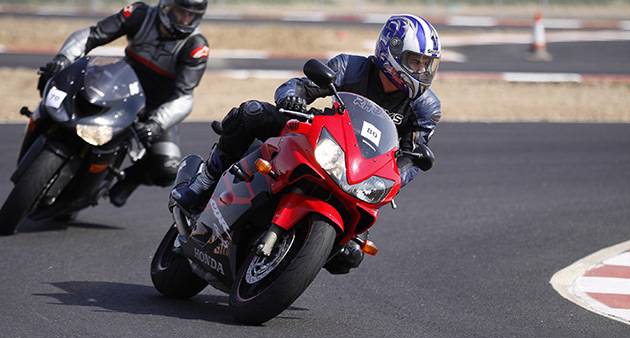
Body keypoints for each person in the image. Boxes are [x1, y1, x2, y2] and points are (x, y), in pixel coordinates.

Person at [172, 14, 442, 273]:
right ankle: (204, 180)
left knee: (349, 257)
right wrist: (293, 97)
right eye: (414, 61)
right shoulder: (351, 68)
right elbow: (300, 85)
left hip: (361, 175)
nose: (421, 70)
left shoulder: (425, 107)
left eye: (426, 64)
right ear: (390, 52)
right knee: (251, 112)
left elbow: (413, 157)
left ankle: (302, 251)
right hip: (323, 138)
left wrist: (390, 182)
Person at [30, 0, 210, 207]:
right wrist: (63, 58)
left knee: (167, 168)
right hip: (117, 87)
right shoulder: (140, 14)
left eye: (191, 15)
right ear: (166, 7)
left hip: (156, 109)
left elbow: (184, 97)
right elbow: (92, 34)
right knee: (62, 95)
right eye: (180, 12)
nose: (185, 19)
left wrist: (156, 124)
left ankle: (128, 180)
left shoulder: (196, 46)